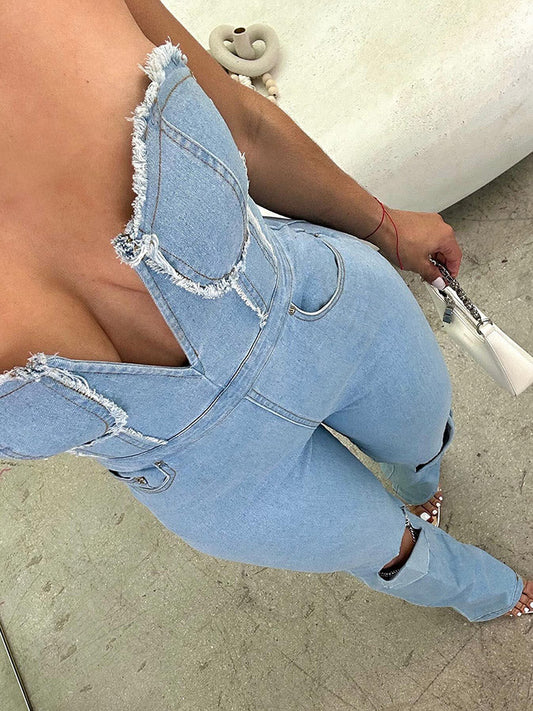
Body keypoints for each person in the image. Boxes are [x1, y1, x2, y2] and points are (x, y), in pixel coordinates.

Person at [0, 0, 530, 622]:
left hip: (329, 314)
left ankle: (420, 486)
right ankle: (481, 589)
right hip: (223, 488)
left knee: (421, 442)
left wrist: (384, 226)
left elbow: (245, 128)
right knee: (390, 550)